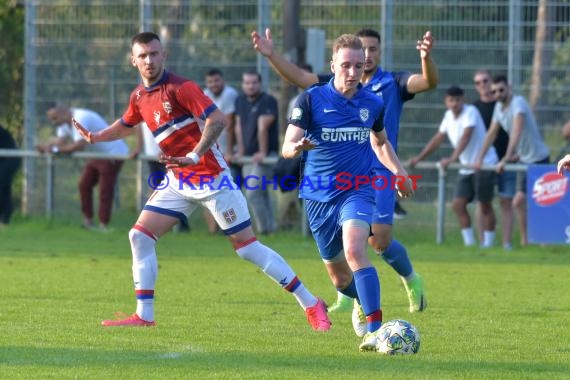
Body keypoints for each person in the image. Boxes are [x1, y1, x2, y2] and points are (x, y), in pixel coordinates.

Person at [71, 32, 330, 331]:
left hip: (212, 178)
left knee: (247, 248)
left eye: (154, 54)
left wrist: (195, 155)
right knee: (139, 236)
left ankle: (311, 303)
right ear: (133, 60)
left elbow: (218, 119)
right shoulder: (139, 97)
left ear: (164, 54)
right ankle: (144, 315)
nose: (149, 60)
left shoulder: (182, 88)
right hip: (178, 180)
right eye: (143, 55)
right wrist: (96, 136)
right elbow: (127, 123)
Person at [252, 27, 436, 314]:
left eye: (371, 51)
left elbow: (428, 82)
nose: (361, 62)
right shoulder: (326, 89)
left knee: (378, 241)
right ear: (336, 64)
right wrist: (271, 54)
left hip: (376, 173)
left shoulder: (392, 84)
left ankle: (410, 281)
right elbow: (299, 77)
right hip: (328, 183)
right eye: (349, 62)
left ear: (375, 54)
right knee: (347, 258)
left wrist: (425, 58)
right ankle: (350, 294)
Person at [282, 33, 414, 351]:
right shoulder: (311, 100)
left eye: (358, 65)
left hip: (357, 189)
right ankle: (358, 300)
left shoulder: (372, 102)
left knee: (356, 250)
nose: (353, 72)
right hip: (316, 195)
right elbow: (287, 146)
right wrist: (297, 147)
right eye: (346, 65)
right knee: (341, 279)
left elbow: (380, 142)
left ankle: (375, 330)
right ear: (333, 65)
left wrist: (400, 171)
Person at [410, 86, 498, 247]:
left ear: (463, 99)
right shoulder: (448, 116)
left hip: (484, 164)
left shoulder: (470, 111)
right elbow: (438, 138)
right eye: (451, 100)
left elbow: (466, 137)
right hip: (466, 166)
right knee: (458, 205)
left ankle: (489, 245)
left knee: (485, 205)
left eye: (458, 100)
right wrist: (418, 158)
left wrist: (452, 159)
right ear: (446, 101)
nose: (455, 103)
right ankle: (470, 244)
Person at [476, 75, 550, 247]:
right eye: (494, 91)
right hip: (524, 160)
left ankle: (538, 240)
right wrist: (479, 158)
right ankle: (527, 241)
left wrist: (506, 158)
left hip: (538, 159)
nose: (498, 94)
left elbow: (516, 132)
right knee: (520, 201)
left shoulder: (518, 103)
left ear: (509, 88)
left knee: (537, 201)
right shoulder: (499, 108)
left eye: (501, 90)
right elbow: (491, 134)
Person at [38, 106, 128, 230]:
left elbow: (79, 145)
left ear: (63, 113)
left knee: (105, 190)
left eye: (55, 118)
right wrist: (47, 147)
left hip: (112, 153)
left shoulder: (80, 118)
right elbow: (60, 141)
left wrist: (56, 150)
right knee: (84, 185)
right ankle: (88, 221)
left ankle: (103, 224)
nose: (54, 122)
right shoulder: (64, 123)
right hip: (97, 155)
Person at [472, 69, 515, 250]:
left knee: (506, 201)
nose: (483, 85)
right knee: (483, 202)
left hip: (507, 159)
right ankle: (484, 243)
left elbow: (517, 132)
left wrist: (510, 156)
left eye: (485, 81)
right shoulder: (473, 108)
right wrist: (478, 158)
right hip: (487, 163)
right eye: (478, 82)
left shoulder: (505, 105)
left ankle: (507, 244)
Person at [234, 69, 279, 235]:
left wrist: (263, 152)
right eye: (247, 83)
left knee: (252, 193)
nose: (251, 86)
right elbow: (238, 127)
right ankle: (271, 229)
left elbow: (262, 127)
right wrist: (241, 151)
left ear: (259, 84)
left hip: (266, 156)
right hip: (248, 157)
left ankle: (264, 231)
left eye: (254, 82)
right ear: (243, 84)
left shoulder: (268, 100)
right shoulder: (240, 101)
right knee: (262, 194)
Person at [132, 123, 190, 232]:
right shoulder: (139, 106)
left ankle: (181, 225)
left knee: (177, 190)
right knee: (156, 190)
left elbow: (176, 126)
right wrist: (138, 147)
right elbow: (138, 125)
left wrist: (167, 148)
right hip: (152, 156)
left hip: (170, 156)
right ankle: (157, 225)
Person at [202, 68, 239, 233]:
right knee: (208, 192)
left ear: (222, 80)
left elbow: (230, 124)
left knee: (228, 192)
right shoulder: (204, 94)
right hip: (211, 152)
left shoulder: (230, 94)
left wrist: (229, 151)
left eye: (216, 81)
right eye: (210, 82)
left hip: (227, 153)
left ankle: (231, 227)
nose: (213, 84)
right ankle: (213, 230)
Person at [0, 124, 21, 226]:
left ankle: (4, 217)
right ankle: (5, 218)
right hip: (4, 159)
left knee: (2, 184)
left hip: (10, 158)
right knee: (4, 188)